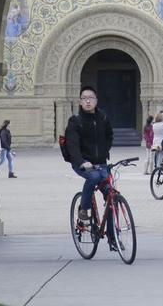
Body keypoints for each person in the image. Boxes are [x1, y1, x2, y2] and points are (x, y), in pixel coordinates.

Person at [64, 86, 114, 234]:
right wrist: (81, 161)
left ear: (96, 101)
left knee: (111, 196)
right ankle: (84, 208)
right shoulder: (75, 121)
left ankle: (112, 236)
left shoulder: (103, 117)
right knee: (94, 176)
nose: (87, 101)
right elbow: (71, 145)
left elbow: (109, 136)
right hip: (82, 162)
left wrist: (104, 153)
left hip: (100, 162)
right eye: (84, 98)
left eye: (90, 98)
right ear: (80, 102)